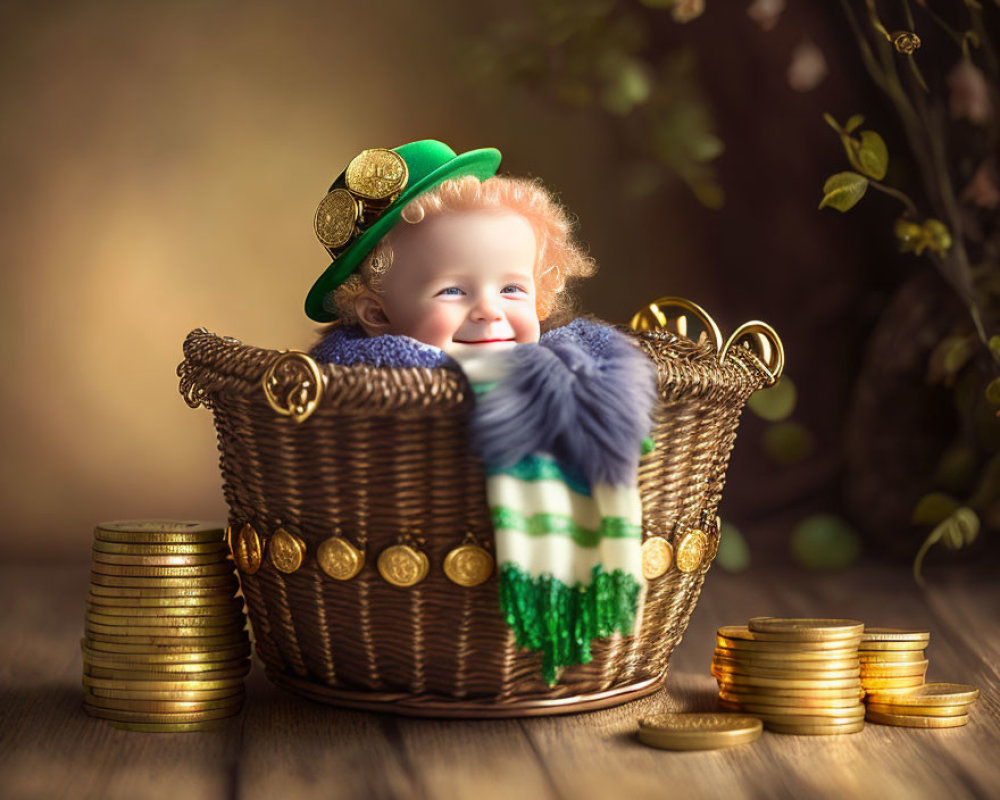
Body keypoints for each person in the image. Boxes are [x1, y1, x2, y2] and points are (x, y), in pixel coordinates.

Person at [304, 140, 656, 684]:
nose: (489, 309)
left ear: (540, 296)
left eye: (513, 288)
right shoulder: (365, 383)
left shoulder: (560, 370)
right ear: (378, 313)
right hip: (414, 612)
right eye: (452, 290)